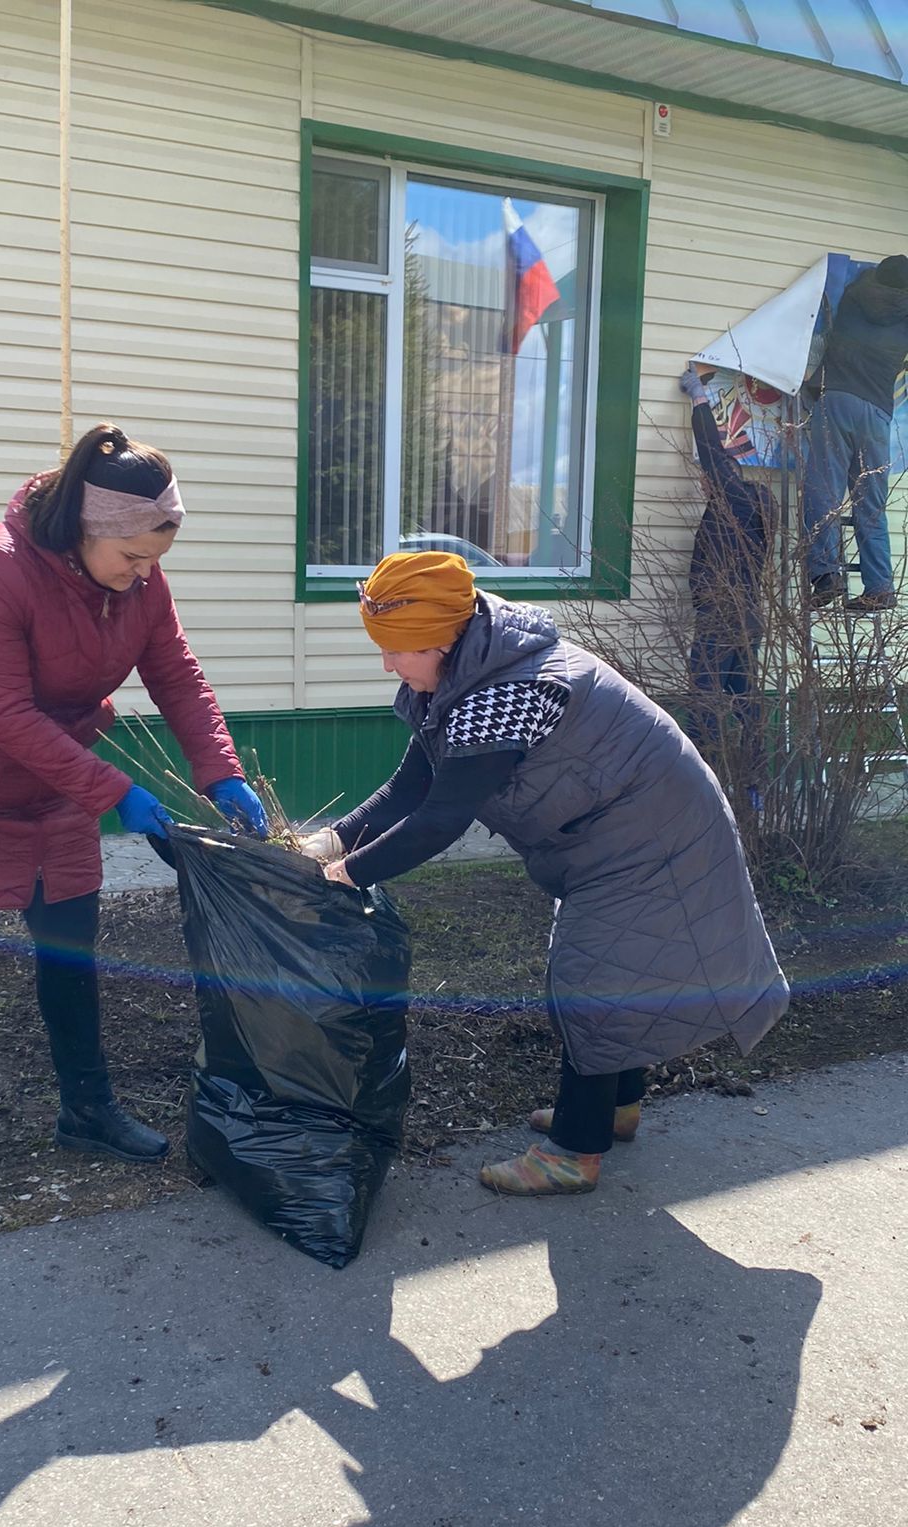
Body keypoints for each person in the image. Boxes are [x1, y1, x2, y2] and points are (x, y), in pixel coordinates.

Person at [300, 550, 788, 1196]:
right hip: (623, 830)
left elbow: (440, 818)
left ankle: (574, 1152)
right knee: (616, 971)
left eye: (397, 649)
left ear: (443, 638)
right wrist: (328, 841)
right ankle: (615, 1107)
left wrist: (347, 875)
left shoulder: (504, 693)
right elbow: (407, 790)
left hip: (654, 834)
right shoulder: (463, 672)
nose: (387, 664)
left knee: (590, 978)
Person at [0, 422, 268, 1206]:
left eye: (153, 562)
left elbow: (178, 676)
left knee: (70, 943)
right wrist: (116, 793)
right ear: (88, 529)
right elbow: (0, 711)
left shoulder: (138, 579)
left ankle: (87, 1110)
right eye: (131, 558)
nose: (141, 577)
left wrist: (219, 772)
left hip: (55, 770)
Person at [679, 363, 777, 804]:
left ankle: (699, 785)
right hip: (746, 616)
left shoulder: (734, 500)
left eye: (710, 481)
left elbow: (713, 452)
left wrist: (699, 399)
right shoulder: (757, 512)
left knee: (703, 699)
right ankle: (754, 786)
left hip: (722, 616)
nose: (705, 485)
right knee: (745, 699)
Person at [802, 253, 908, 613]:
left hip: (838, 400)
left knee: (823, 491)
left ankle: (826, 576)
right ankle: (879, 587)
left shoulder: (852, 295)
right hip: (878, 412)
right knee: (871, 505)